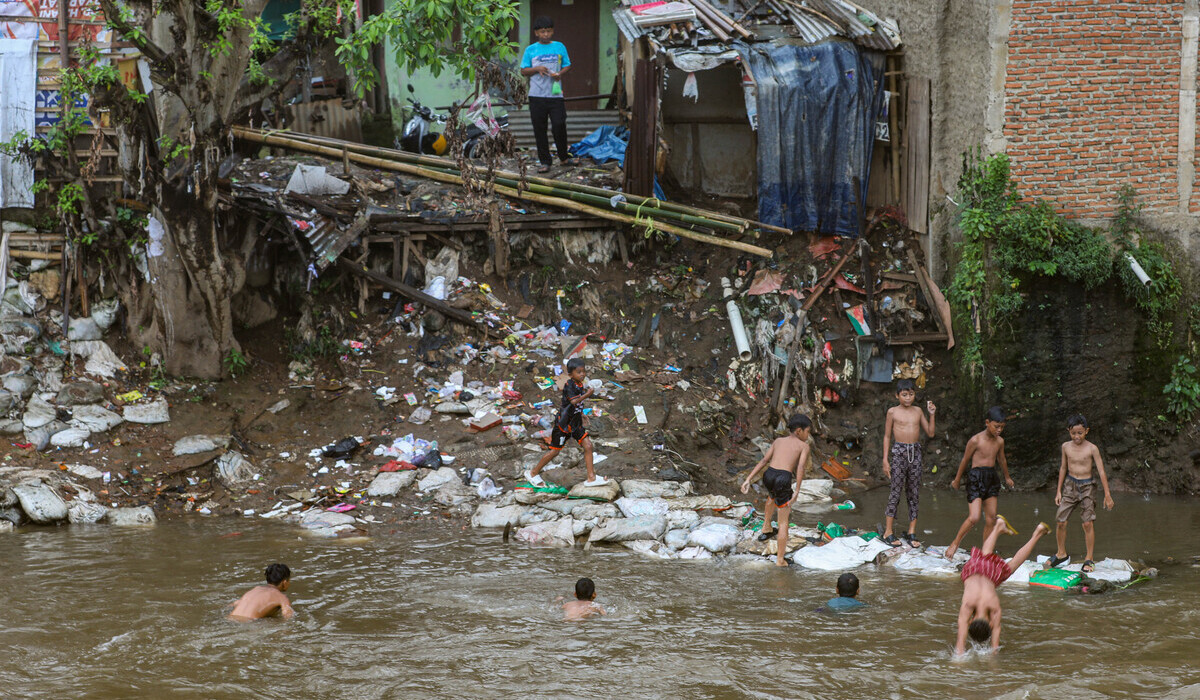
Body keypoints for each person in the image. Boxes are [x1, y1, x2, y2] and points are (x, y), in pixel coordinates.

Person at [955, 517, 1049, 655]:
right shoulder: (968, 605)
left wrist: (993, 658)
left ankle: (1038, 533)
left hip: (990, 574)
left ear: (990, 624)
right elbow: (961, 639)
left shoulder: (993, 607)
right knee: (984, 556)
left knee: (1011, 567)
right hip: (971, 569)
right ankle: (998, 527)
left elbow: (995, 640)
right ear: (971, 621)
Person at [740, 413, 812, 567]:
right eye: (808, 431)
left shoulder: (778, 441)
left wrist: (748, 479)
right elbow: (800, 467)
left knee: (771, 497)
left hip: (769, 475)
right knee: (784, 520)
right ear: (799, 431)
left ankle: (766, 527)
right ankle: (780, 560)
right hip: (783, 478)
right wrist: (797, 490)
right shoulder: (803, 446)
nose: (808, 435)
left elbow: (764, 460)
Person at [524, 358, 608, 488]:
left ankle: (591, 478)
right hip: (563, 425)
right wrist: (588, 394)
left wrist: (581, 414)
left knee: (588, 446)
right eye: (579, 372)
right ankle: (533, 473)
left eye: (583, 371)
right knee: (554, 451)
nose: (582, 374)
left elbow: (575, 405)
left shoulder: (580, 385)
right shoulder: (569, 386)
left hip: (575, 423)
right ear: (570, 375)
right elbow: (574, 401)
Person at [943, 407, 1015, 560]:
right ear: (987, 423)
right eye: (996, 426)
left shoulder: (1000, 441)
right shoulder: (976, 440)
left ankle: (985, 552)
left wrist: (1007, 477)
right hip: (976, 478)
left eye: (1002, 427)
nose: (999, 430)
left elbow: (1002, 460)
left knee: (991, 518)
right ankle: (955, 543)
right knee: (974, 517)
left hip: (991, 477)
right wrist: (957, 480)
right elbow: (965, 460)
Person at [1050, 414, 1115, 573]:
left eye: (1080, 433)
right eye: (1073, 433)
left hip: (1087, 486)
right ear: (1068, 431)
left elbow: (1101, 471)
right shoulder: (1066, 446)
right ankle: (1061, 554)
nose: (1076, 436)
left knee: (1087, 522)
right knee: (1060, 520)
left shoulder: (1092, 448)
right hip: (1070, 485)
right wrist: (1058, 491)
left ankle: (1089, 558)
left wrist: (1107, 494)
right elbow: (1063, 468)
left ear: (1086, 431)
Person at [881, 379, 937, 548]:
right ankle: (888, 531)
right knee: (895, 491)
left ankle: (912, 532)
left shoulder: (918, 411)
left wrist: (932, 414)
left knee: (913, 492)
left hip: (915, 452)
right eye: (904, 395)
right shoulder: (892, 412)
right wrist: (885, 460)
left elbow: (931, 433)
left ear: (915, 395)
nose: (907, 398)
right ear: (897, 395)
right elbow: (887, 436)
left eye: (911, 394)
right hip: (899, 452)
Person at [520, 16, 572, 174]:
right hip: (536, 96)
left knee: (559, 125)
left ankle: (563, 157)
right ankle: (545, 161)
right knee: (539, 129)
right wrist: (537, 69)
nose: (546, 34)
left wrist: (560, 74)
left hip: (555, 95)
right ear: (536, 33)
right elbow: (523, 71)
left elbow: (567, 65)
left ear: (553, 31)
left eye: (548, 31)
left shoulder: (559, 46)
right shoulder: (530, 50)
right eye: (543, 32)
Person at [229, 563, 294, 621]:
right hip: (248, 623)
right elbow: (288, 618)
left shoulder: (256, 589)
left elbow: (236, 603)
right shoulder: (281, 597)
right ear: (285, 582)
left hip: (230, 618)